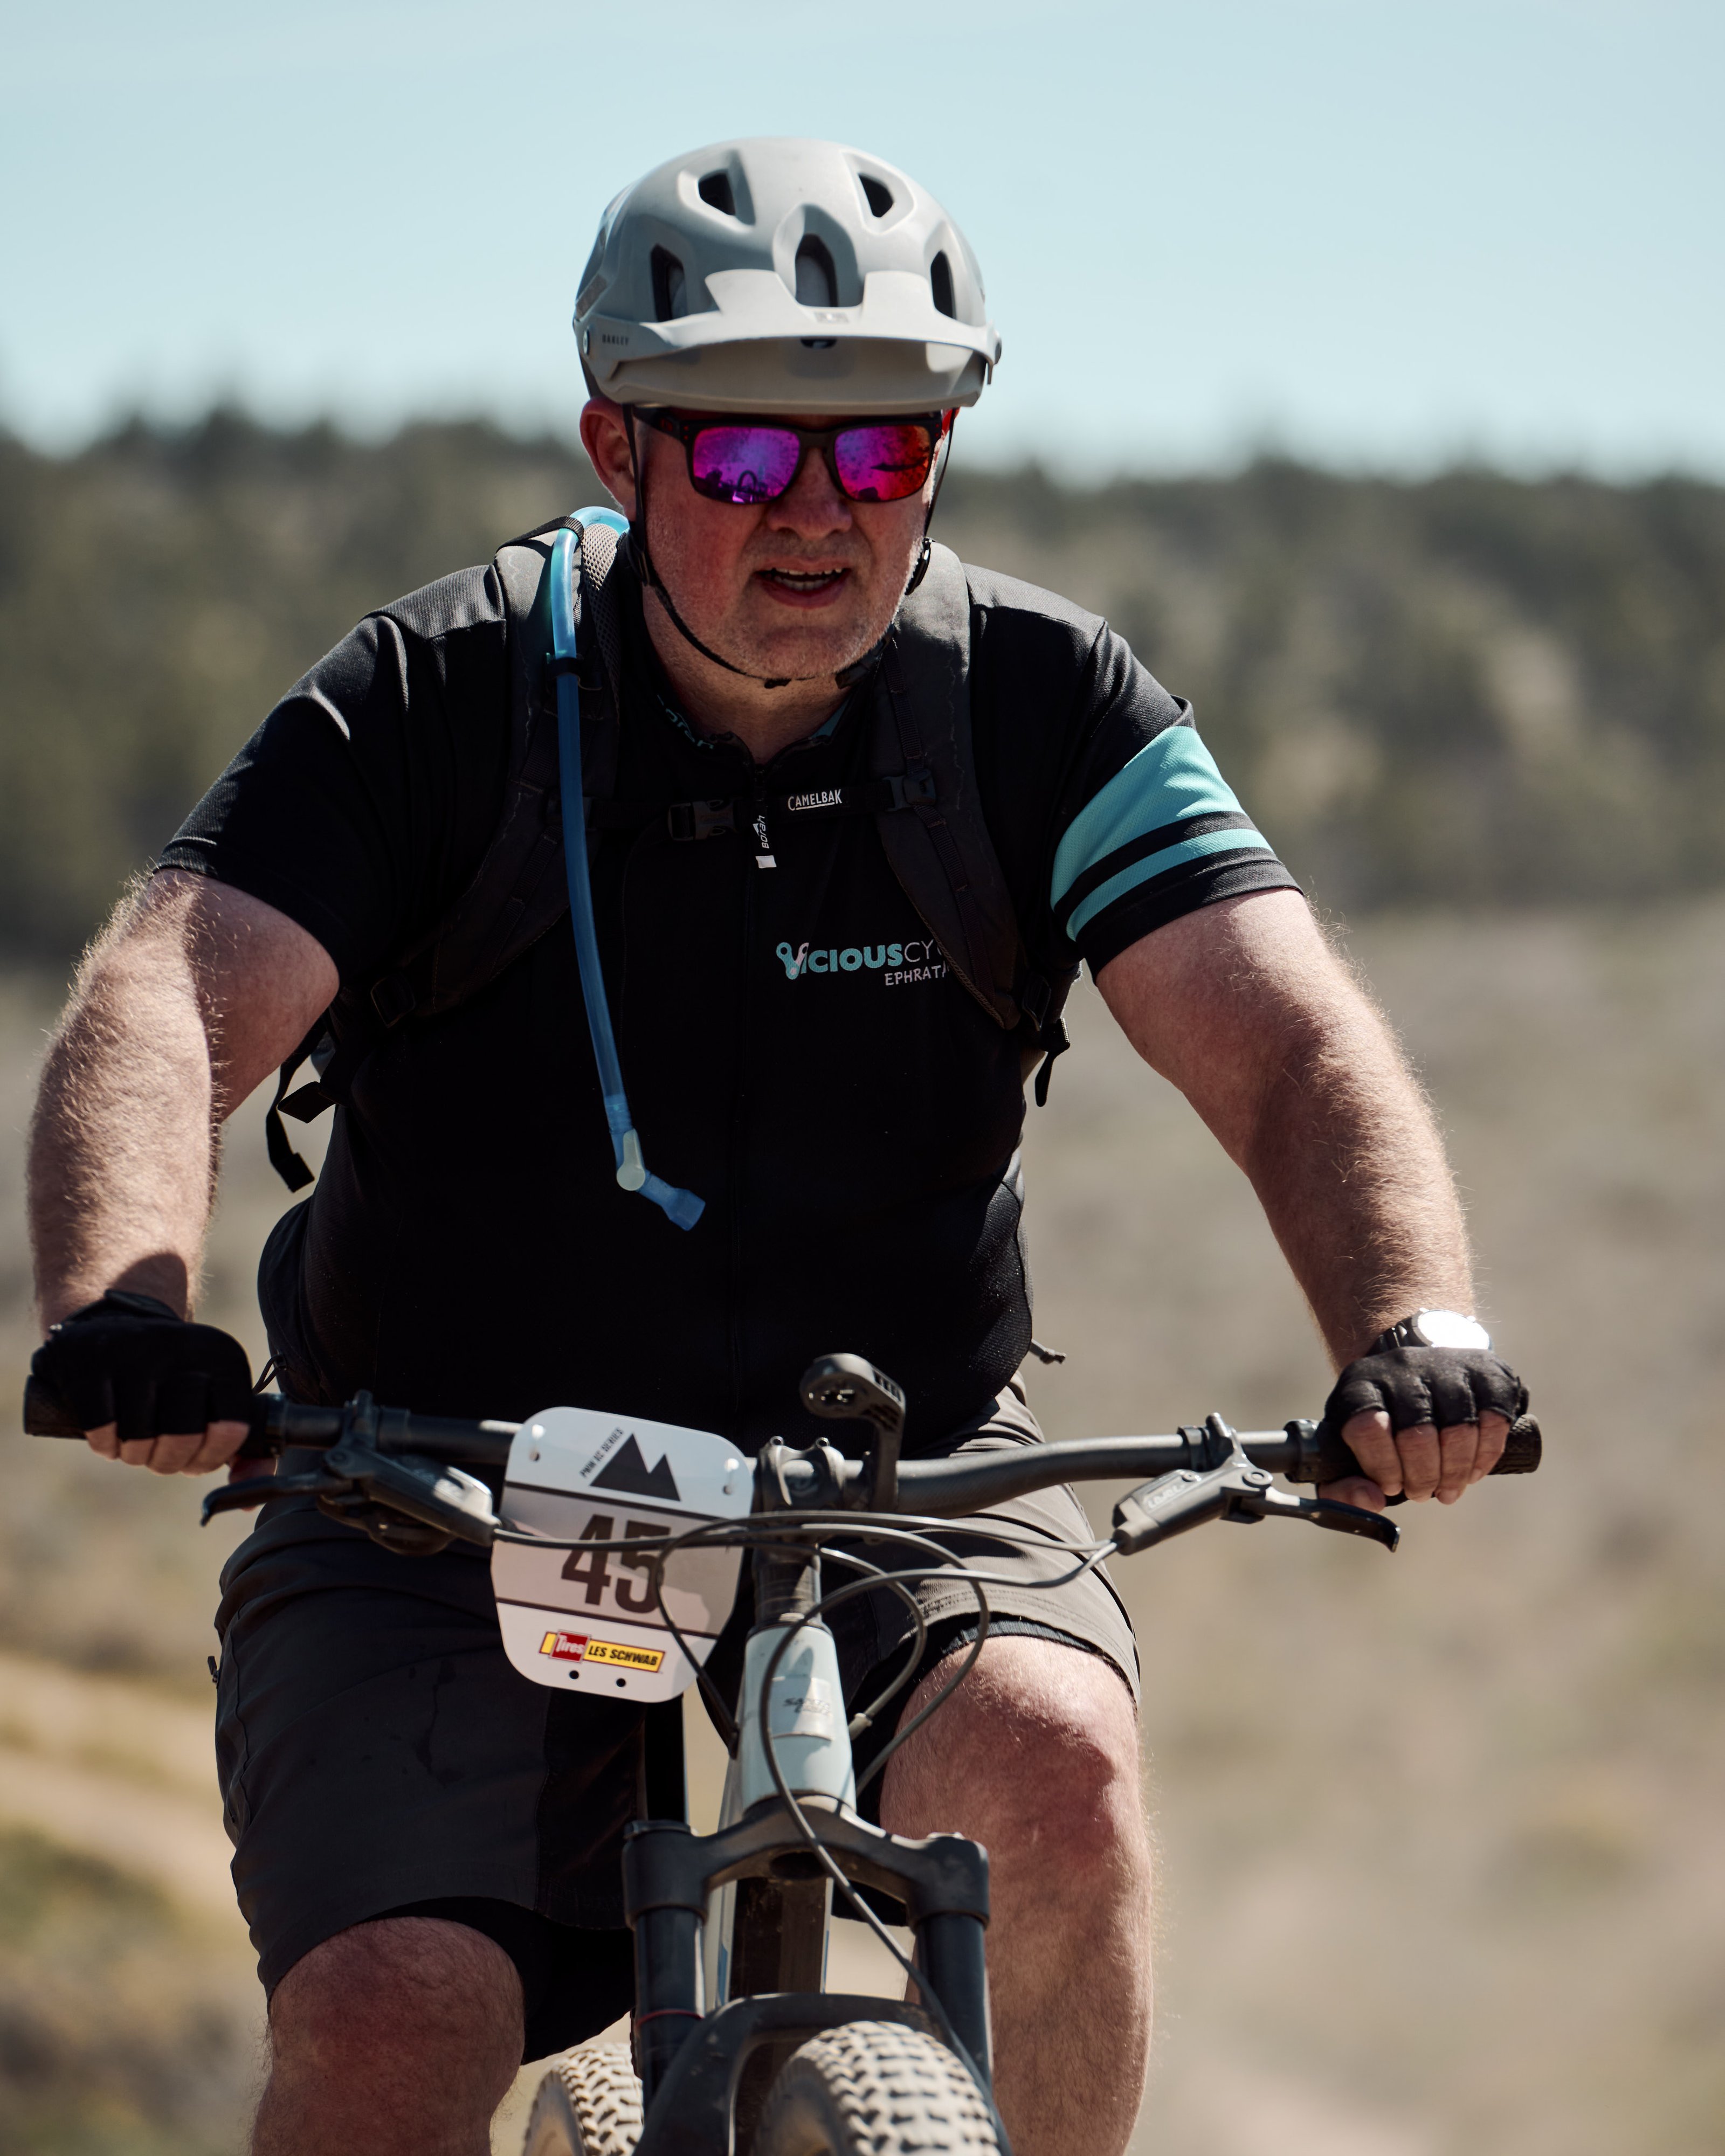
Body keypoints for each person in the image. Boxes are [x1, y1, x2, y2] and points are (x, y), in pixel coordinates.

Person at [25, 137, 1526, 2156]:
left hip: (900, 1454)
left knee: (1059, 1781)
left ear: (942, 453)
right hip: (441, 1469)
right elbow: (170, 995)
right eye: (742, 456)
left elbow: (1285, 1043)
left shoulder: (1036, 706)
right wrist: (128, 1303)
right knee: (397, 2007)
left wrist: (1414, 1318)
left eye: (883, 451)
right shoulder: (440, 695)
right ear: (619, 448)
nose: (818, 512)